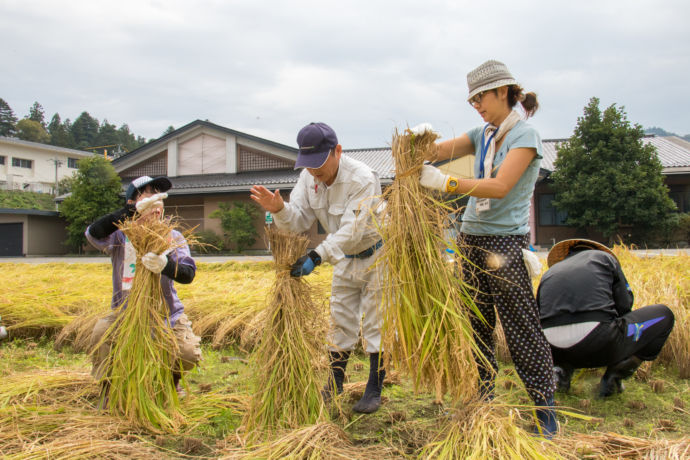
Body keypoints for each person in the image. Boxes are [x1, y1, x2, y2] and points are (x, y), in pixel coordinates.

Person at [417, 60, 556, 437]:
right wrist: (415, 142)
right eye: (472, 99)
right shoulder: (482, 134)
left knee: (520, 326)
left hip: (503, 244)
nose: (477, 104)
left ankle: (545, 409)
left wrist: (445, 183)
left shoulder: (523, 136)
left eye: (482, 97)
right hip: (470, 240)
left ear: (504, 92)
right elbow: (437, 149)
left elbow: (498, 187)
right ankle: (483, 399)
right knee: (476, 324)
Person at [250, 122, 385, 414]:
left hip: (376, 256)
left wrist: (317, 255)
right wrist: (279, 209)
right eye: (309, 165)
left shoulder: (362, 178)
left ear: (337, 151)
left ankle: (374, 387)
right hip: (343, 257)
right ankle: (334, 384)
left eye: (319, 165)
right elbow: (297, 219)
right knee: (340, 318)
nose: (315, 172)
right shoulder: (308, 178)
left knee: (377, 320)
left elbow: (353, 230)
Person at [86, 175, 202, 398]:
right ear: (134, 204)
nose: (156, 205)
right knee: (102, 334)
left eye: (159, 199)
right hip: (125, 313)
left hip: (166, 314)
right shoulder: (120, 235)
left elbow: (188, 274)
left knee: (186, 352)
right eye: (149, 198)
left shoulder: (172, 235)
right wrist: (129, 214)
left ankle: (171, 383)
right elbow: (93, 233)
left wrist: (165, 265)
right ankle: (109, 389)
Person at [538, 239, 675, 398]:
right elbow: (625, 305)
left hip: (553, 350)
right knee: (664, 315)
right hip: (600, 343)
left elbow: (540, 317)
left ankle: (560, 373)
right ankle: (615, 376)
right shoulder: (604, 259)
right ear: (597, 250)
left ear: (567, 254)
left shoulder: (549, 273)